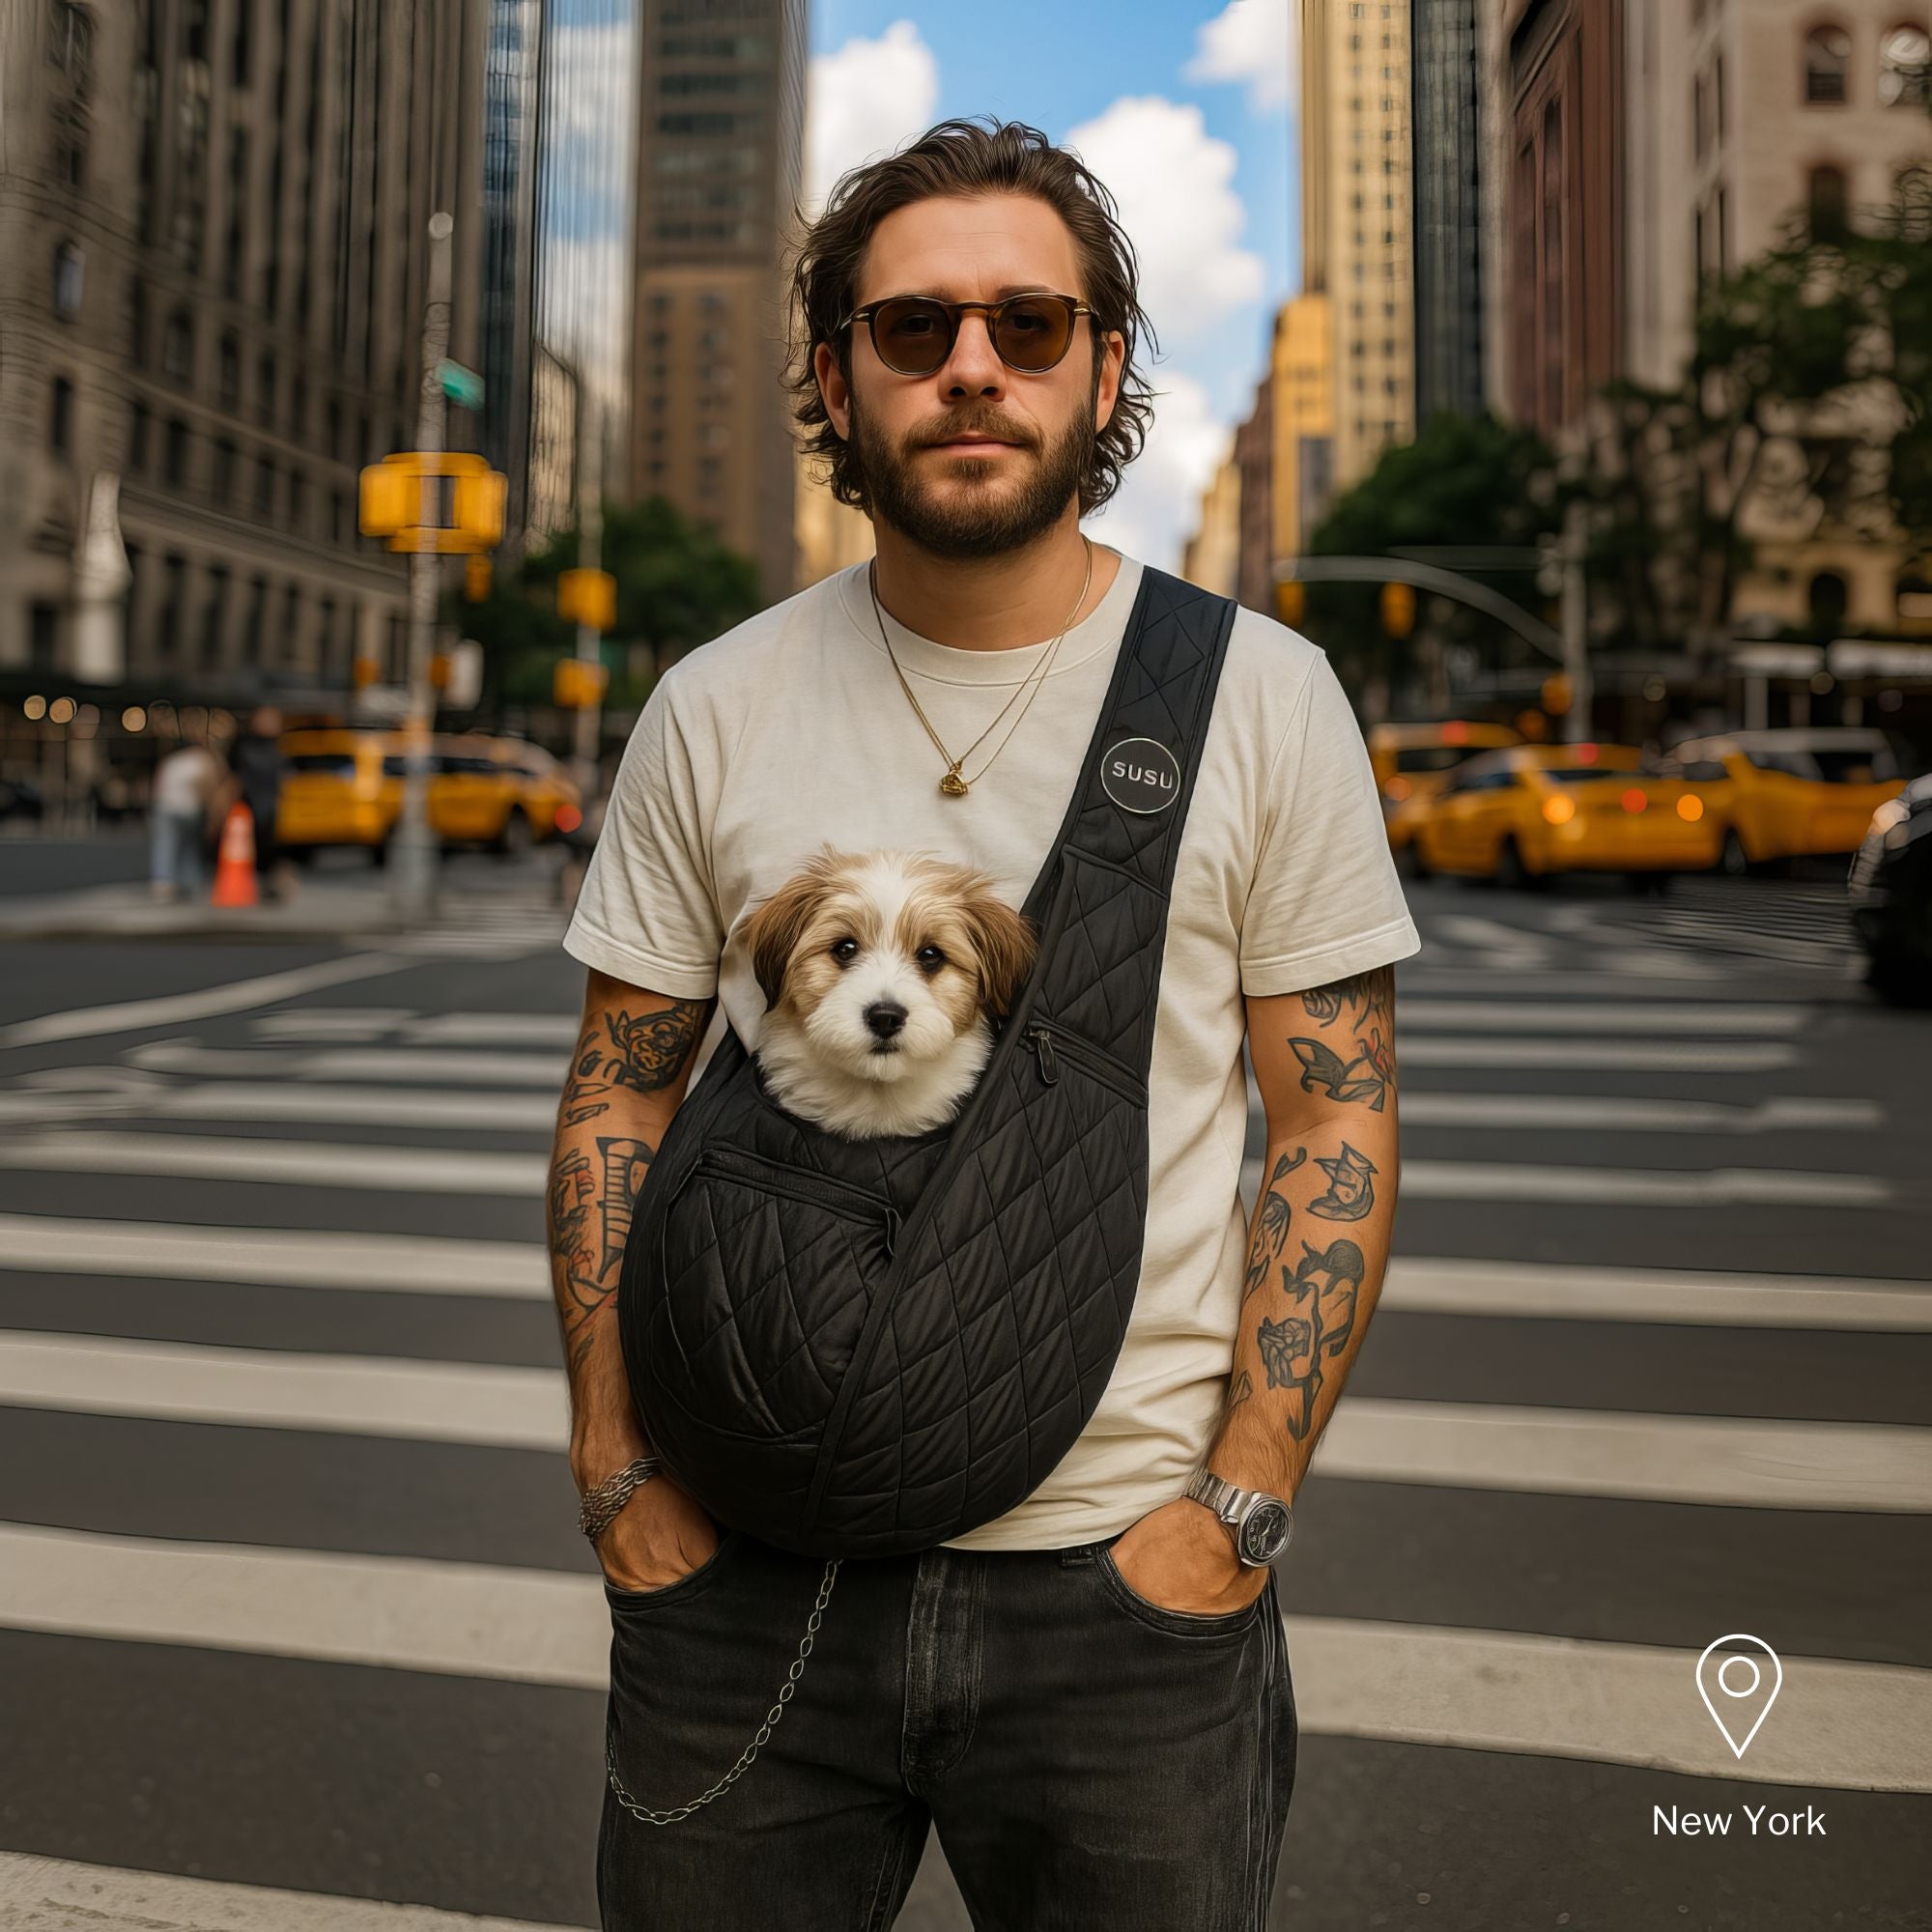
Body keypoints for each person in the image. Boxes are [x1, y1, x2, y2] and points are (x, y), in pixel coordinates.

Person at [548, 118, 1421, 1930]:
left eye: (1031, 327)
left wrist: (1237, 1511)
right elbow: (617, 1102)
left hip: (1122, 1603)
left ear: (1105, 370)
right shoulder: (713, 704)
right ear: (834, 374)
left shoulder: (1262, 697)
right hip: (742, 1579)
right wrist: (619, 1473)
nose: (971, 368)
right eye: (913, 327)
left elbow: (1330, 1119)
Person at [148, 735, 223, 900]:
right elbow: (207, 787)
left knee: (166, 845)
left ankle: (163, 883)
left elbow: (157, 785)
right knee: (190, 847)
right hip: (190, 809)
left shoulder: (171, 761)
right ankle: (190, 881)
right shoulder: (202, 760)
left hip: (165, 807)